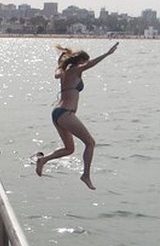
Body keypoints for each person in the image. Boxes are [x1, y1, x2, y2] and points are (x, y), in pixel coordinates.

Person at [35, 42, 119, 190]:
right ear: (80, 62)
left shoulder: (65, 71)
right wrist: (107, 54)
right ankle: (85, 175)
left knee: (69, 149)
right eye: (84, 62)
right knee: (90, 143)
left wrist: (61, 68)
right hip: (66, 113)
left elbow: (57, 74)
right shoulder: (74, 70)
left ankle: (43, 160)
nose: (85, 65)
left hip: (58, 113)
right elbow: (90, 65)